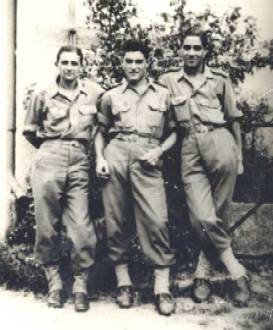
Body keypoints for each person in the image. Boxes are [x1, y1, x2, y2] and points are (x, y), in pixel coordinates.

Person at [159, 31, 250, 307]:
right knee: (201, 216)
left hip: (221, 142)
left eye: (196, 48)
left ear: (204, 52)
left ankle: (203, 275)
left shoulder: (220, 79)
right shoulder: (168, 81)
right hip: (189, 147)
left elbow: (233, 118)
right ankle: (237, 271)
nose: (191, 52)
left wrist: (240, 156)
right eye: (186, 47)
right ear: (180, 51)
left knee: (219, 214)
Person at [95, 39, 176, 316]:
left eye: (138, 61)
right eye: (128, 61)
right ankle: (124, 284)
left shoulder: (163, 95)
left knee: (156, 219)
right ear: (122, 63)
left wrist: (159, 151)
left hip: (148, 157)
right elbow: (100, 131)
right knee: (115, 219)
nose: (133, 66)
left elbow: (176, 131)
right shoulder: (111, 96)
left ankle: (162, 288)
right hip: (116, 155)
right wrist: (100, 158)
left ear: (147, 63)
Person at [23, 45, 103, 311]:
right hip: (49, 157)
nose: (69, 67)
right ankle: (55, 284)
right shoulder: (42, 94)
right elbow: (30, 131)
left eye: (74, 63)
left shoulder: (93, 92)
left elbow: (104, 124)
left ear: (82, 65)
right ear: (56, 64)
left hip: (80, 159)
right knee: (46, 225)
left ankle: (81, 285)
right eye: (65, 62)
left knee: (81, 227)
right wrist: (51, 150)